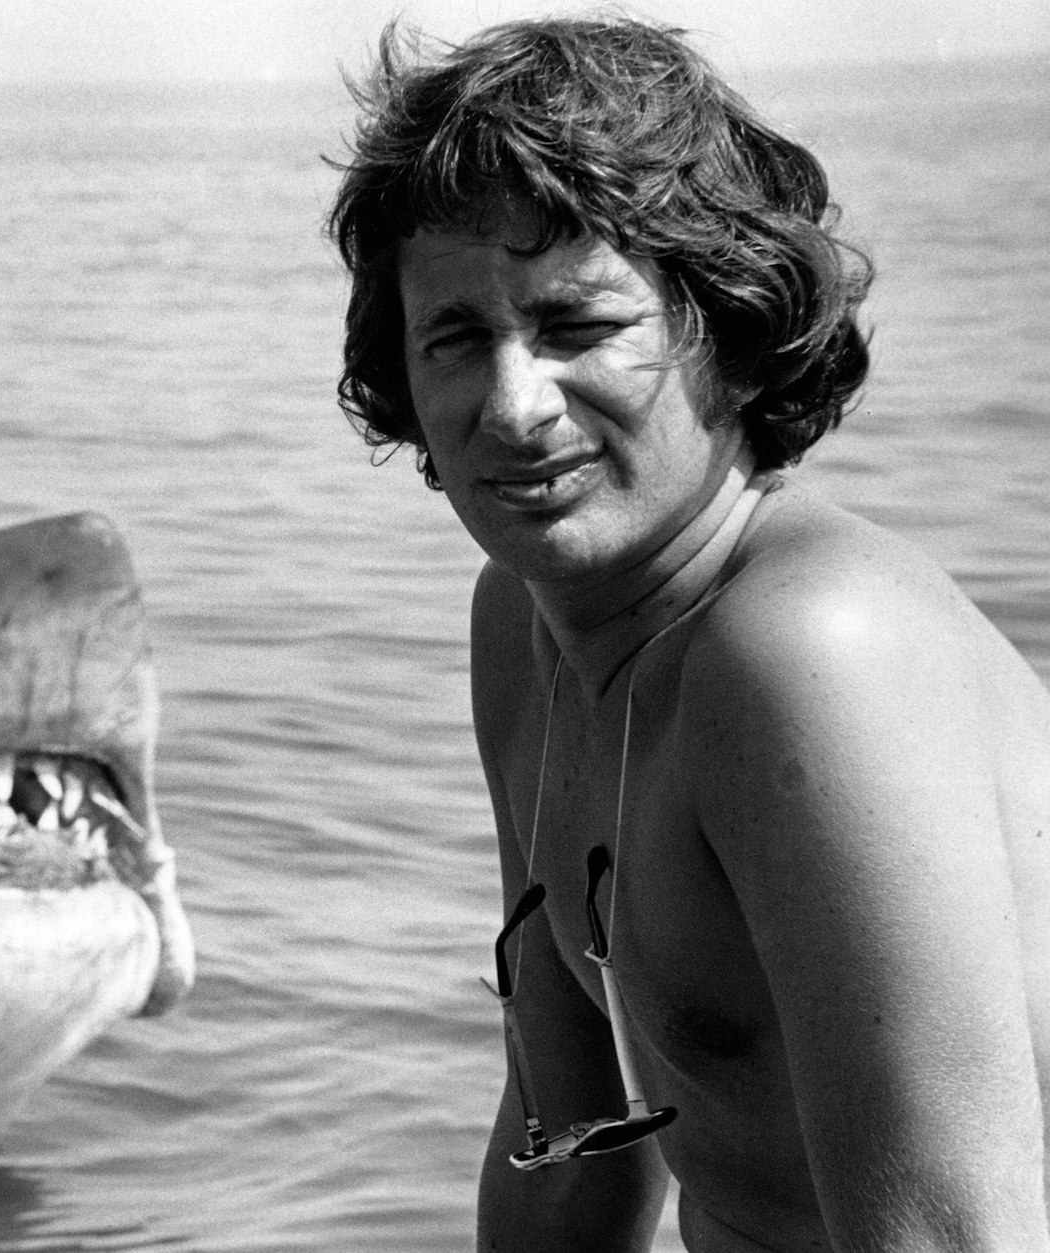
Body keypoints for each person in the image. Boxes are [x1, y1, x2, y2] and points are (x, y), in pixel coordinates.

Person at [328, 17, 1050, 1252]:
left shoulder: (809, 651)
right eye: (454, 337)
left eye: (577, 326)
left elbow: (956, 1233)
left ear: (729, 331)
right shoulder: (527, 626)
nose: (512, 403)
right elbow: (570, 1146)